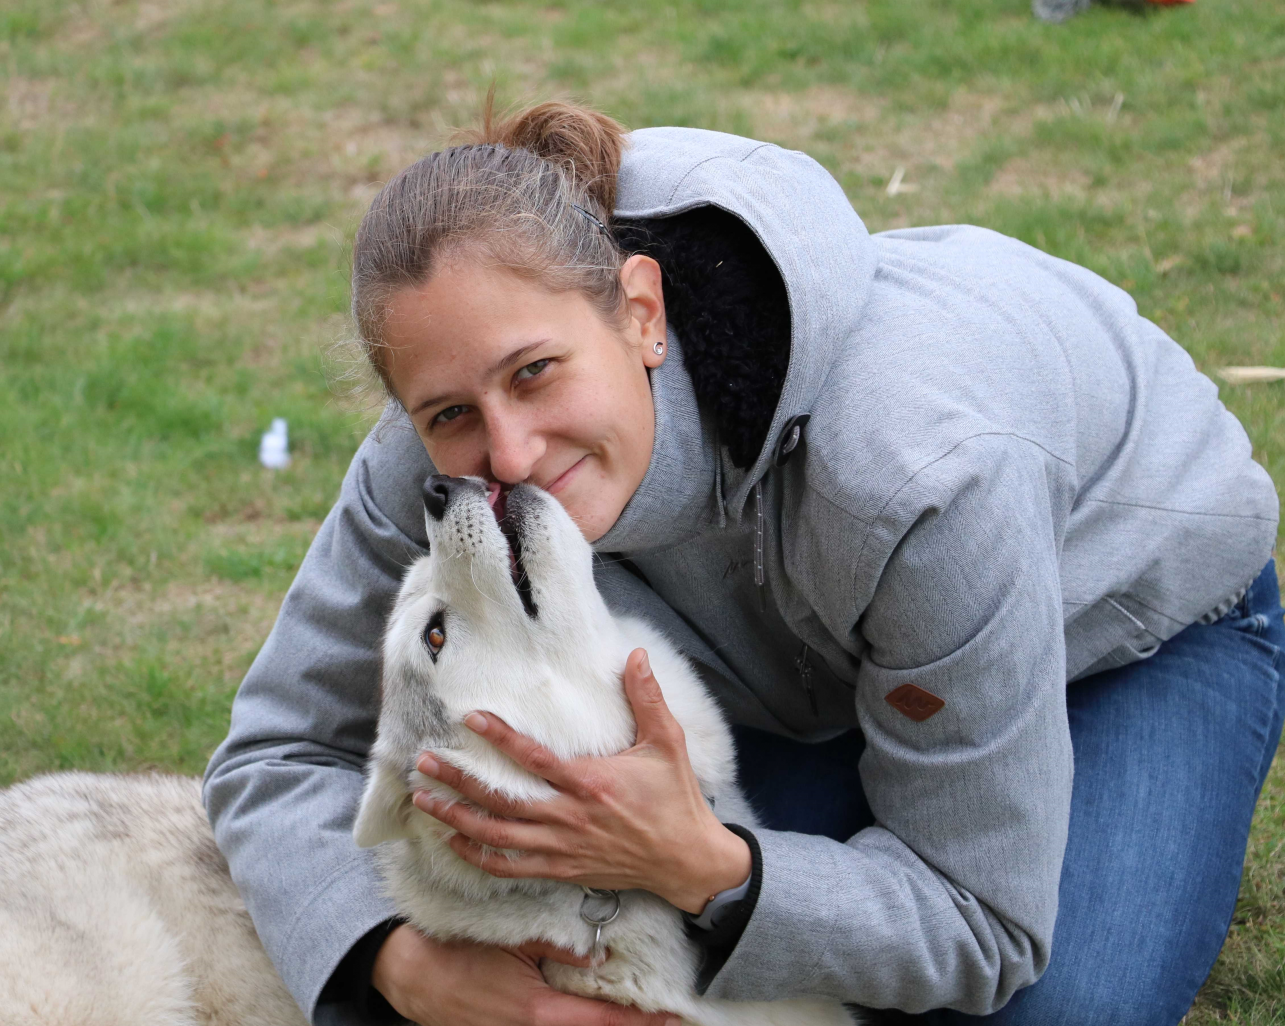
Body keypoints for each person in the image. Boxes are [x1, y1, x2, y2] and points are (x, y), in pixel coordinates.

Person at [204, 101, 1282, 1026]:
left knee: (1041, 1007)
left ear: (640, 311)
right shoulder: (442, 471)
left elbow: (980, 919)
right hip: (816, 691)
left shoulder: (918, 470)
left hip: (1127, 632)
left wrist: (705, 863)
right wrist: (400, 963)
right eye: (448, 413)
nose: (511, 457)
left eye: (535, 373)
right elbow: (277, 754)